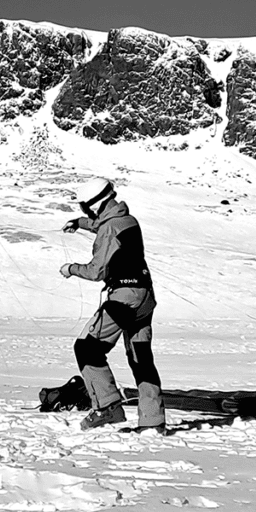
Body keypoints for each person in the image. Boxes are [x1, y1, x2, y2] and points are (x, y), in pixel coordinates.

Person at [60, 178, 165, 432]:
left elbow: (97, 270)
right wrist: (80, 224)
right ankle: (153, 422)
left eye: (85, 208)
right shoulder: (127, 219)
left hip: (124, 297)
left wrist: (71, 269)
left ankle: (107, 407)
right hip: (145, 297)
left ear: (94, 204)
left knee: (87, 348)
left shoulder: (109, 228)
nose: (86, 212)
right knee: (141, 359)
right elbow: (104, 225)